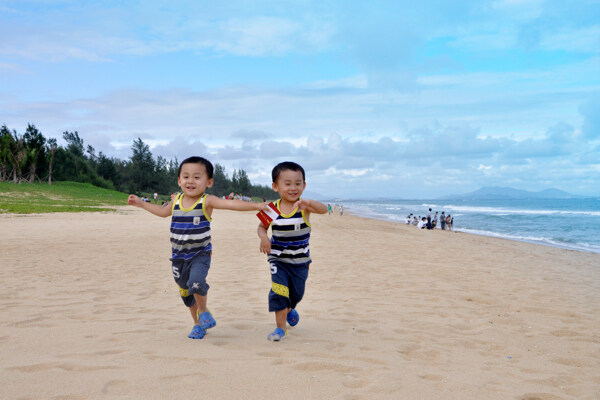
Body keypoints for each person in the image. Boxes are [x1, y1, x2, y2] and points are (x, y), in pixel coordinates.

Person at [128, 156, 267, 340]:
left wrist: (257, 205)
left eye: (197, 177)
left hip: (200, 254)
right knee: (186, 294)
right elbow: (162, 212)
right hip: (177, 256)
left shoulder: (206, 201)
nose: (190, 181)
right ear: (179, 180)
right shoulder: (176, 200)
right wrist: (141, 203)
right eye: (185, 177)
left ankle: (203, 312)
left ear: (209, 182)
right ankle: (197, 323)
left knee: (196, 283)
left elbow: (232, 204)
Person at [257, 161, 328, 342]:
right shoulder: (272, 209)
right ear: (276, 186)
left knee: (296, 294)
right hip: (278, 260)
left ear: (304, 185)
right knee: (279, 291)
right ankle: (281, 329)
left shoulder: (303, 207)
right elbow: (261, 227)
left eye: (298, 183)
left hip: (301, 261)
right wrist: (264, 238)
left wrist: (310, 202)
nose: (293, 188)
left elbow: (324, 210)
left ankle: (290, 308)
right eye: (287, 183)